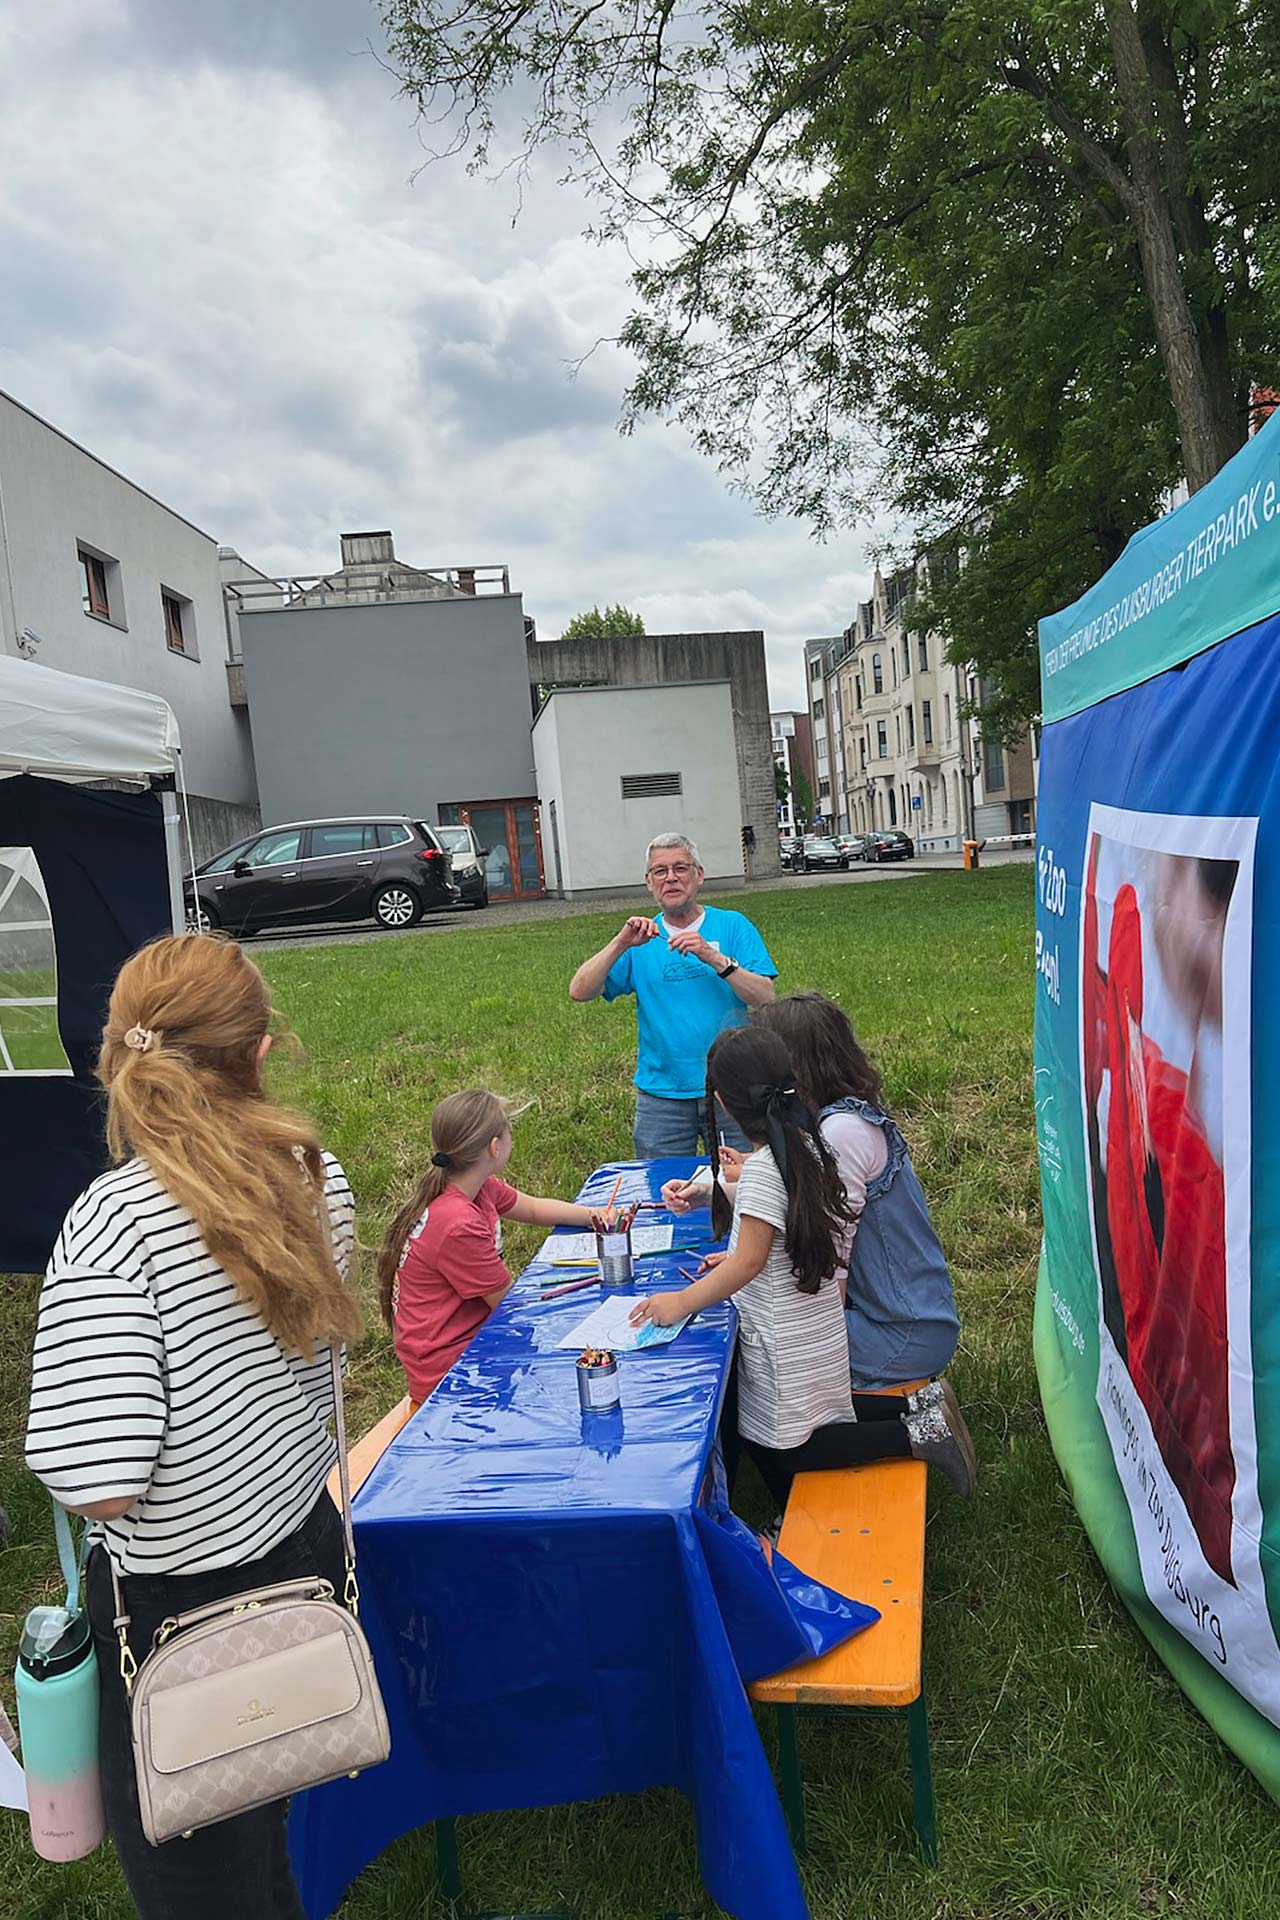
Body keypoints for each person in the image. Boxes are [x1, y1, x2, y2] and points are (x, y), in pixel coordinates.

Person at [24, 935, 362, 1920]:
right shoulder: (314, 1174)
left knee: (201, 1887)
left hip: (177, 1613)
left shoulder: (114, 1223)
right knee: (260, 1842)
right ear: (257, 1052)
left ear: (116, 1050)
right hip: (300, 1558)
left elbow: (103, 1483)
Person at [631, 1026, 974, 1507]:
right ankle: (921, 1407)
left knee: (789, 1446)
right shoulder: (806, 1146)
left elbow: (748, 1262)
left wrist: (681, 1302)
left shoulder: (762, 1172)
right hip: (815, 1323)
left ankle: (917, 1436)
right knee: (822, 1416)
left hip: (783, 1338)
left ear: (723, 1103)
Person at [378, 1089, 603, 1408]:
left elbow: (533, 1208)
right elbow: (507, 1306)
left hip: (465, 1347)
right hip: (452, 1375)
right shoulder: (458, 1225)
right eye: (509, 1129)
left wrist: (595, 1215)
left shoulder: (476, 1186)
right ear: (495, 1147)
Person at [568, 832, 778, 1158]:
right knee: (662, 1184)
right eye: (660, 871)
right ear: (649, 882)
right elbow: (579, 991)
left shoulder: (733, 926)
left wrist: (715, 958)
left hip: (734, 1086)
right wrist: (620, 943)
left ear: (699, 875)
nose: (671, 878)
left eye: (680, 868)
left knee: (744, 1181)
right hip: (662, 1094)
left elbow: (765, 996)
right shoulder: (641, 939)